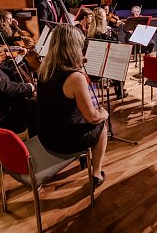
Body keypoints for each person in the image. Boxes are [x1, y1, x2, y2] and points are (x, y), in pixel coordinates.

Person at [37, 24, 108, 187]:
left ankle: (84, 156)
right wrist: (104, 114)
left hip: (45, 134)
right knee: (101, 126)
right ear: (75, 47)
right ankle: (96, 174)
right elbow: (92, 117)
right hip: (62, 141)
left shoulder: (44, 68)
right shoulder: (75, 78)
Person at [87, 8, 127, 99]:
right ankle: (119, 91)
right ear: (103, 18)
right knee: (120, 63)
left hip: (91, 66)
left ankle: (117, 86)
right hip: (104, 67)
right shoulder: (107, 32)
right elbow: (115, 48)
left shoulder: (89, 32)